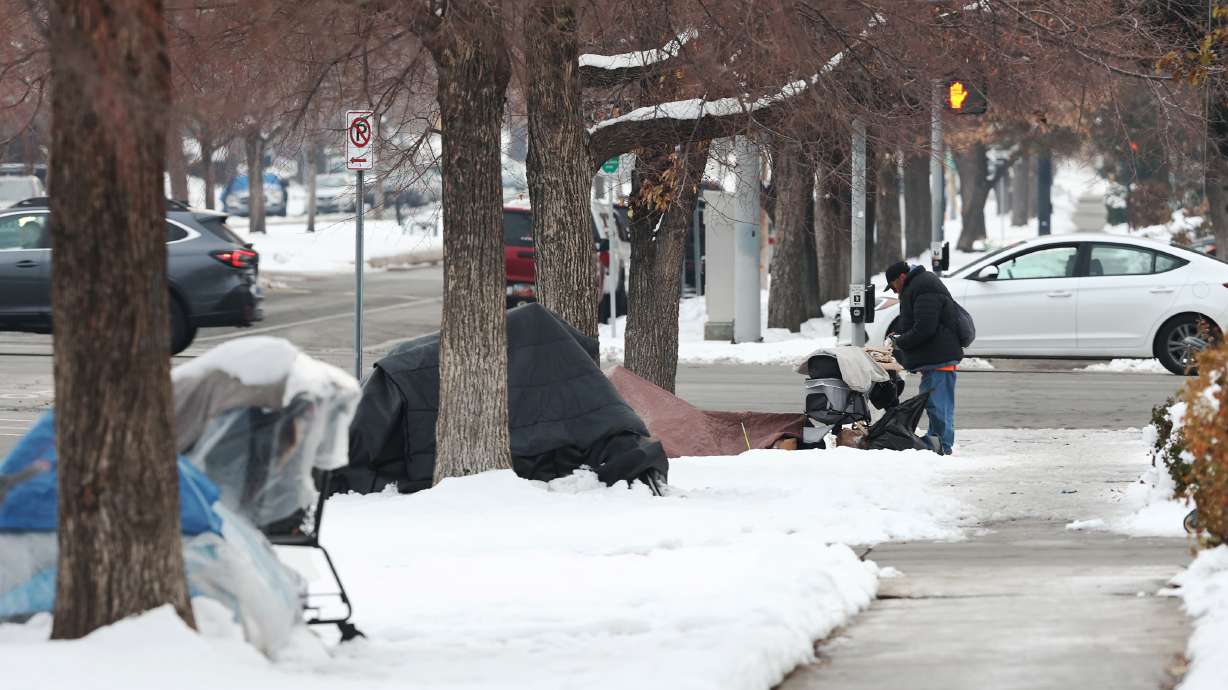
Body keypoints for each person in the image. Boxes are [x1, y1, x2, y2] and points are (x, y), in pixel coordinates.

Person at [883, 261, 963, 455]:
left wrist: (901, 342)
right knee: (934, 404)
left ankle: (943, 445)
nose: (894, 292)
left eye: (893, 286)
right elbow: (915, 320)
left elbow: (925, 327)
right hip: (935, 358)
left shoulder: (924, 286)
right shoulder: (918, 285)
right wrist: (899, 333)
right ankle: (936, 442)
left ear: (901, 277)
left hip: (940, 357)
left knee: (938, 406)